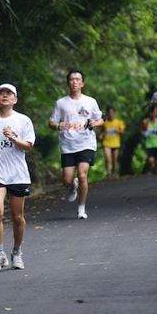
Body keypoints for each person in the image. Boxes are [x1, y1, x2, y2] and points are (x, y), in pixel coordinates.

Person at [0, 83, 35, 271]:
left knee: (17, 217)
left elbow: (28, 146)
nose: (4, 95)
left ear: (15, 99)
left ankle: (17, 252)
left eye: (8, 93)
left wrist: (13, 137)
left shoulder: (23, 120)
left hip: (17, 173)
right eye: (1, 93)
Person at [49, 69, 104, 219]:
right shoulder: (61, 103)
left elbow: (100, 119)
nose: (74, 82)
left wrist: (95, 123)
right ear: (68, 83)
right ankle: (72, 186)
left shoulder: (90, 101)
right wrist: (56, 126)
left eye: (77, 79)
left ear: (82, 83)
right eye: (72, 79)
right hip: (67, 144)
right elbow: (52, 121)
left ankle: (81, 209)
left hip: (86, 142)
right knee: (67, 180)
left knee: (82, 175)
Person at [100, 106, 125, 178]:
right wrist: (101, 135)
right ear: (107, 113)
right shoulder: (105, 123)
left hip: (115, 143)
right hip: (106, 143)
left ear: (114, 113)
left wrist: (119, 131)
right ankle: (109, 174)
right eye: (109, 112)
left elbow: (123, 132)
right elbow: (102, 131)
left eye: (112, 112)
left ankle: (115, 173)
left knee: (115, 160)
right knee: (108, 158)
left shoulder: (118, 122)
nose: (110, 114)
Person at [140, 107, 157, 174]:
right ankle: (153, 169)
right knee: (151, 160)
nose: (153, 114)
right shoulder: (146, 122)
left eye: (155, 112)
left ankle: (156, 173)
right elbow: (142, 131)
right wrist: (144, 132)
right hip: (149, 144)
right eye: (152, 112)